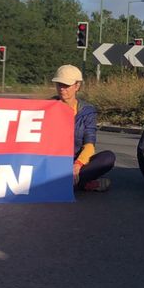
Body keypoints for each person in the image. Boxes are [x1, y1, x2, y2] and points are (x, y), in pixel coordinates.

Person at [51, 64, 115, 192]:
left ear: (77, 86)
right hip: (53, 161)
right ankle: (82, 184)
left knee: (108, 158)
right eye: (59, 84)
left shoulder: (88, 111)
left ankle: (69, 182)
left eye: (66, 85)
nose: (62, 89)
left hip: (77, 161)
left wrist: (78, 165)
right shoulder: (47, 106)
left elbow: (89, 144)